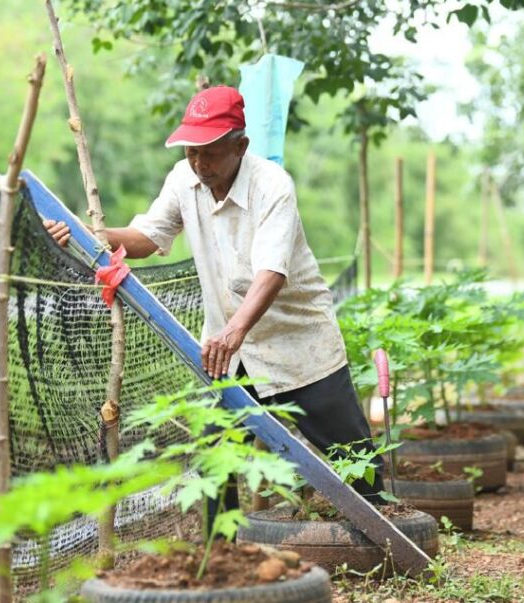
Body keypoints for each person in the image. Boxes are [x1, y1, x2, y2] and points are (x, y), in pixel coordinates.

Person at [44, 86, 384, 526]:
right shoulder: (184, 180)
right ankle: (218, 558)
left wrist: (235, 328)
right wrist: (90, 234)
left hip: (299, 344)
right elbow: (148, 237)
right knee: (215, 453)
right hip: (230, 351)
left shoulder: (272, 187)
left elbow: (272, 272)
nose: (199, 164)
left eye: (209, 153)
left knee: (353, 456)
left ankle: (392, 538)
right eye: (191, 152)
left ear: (240, 146)